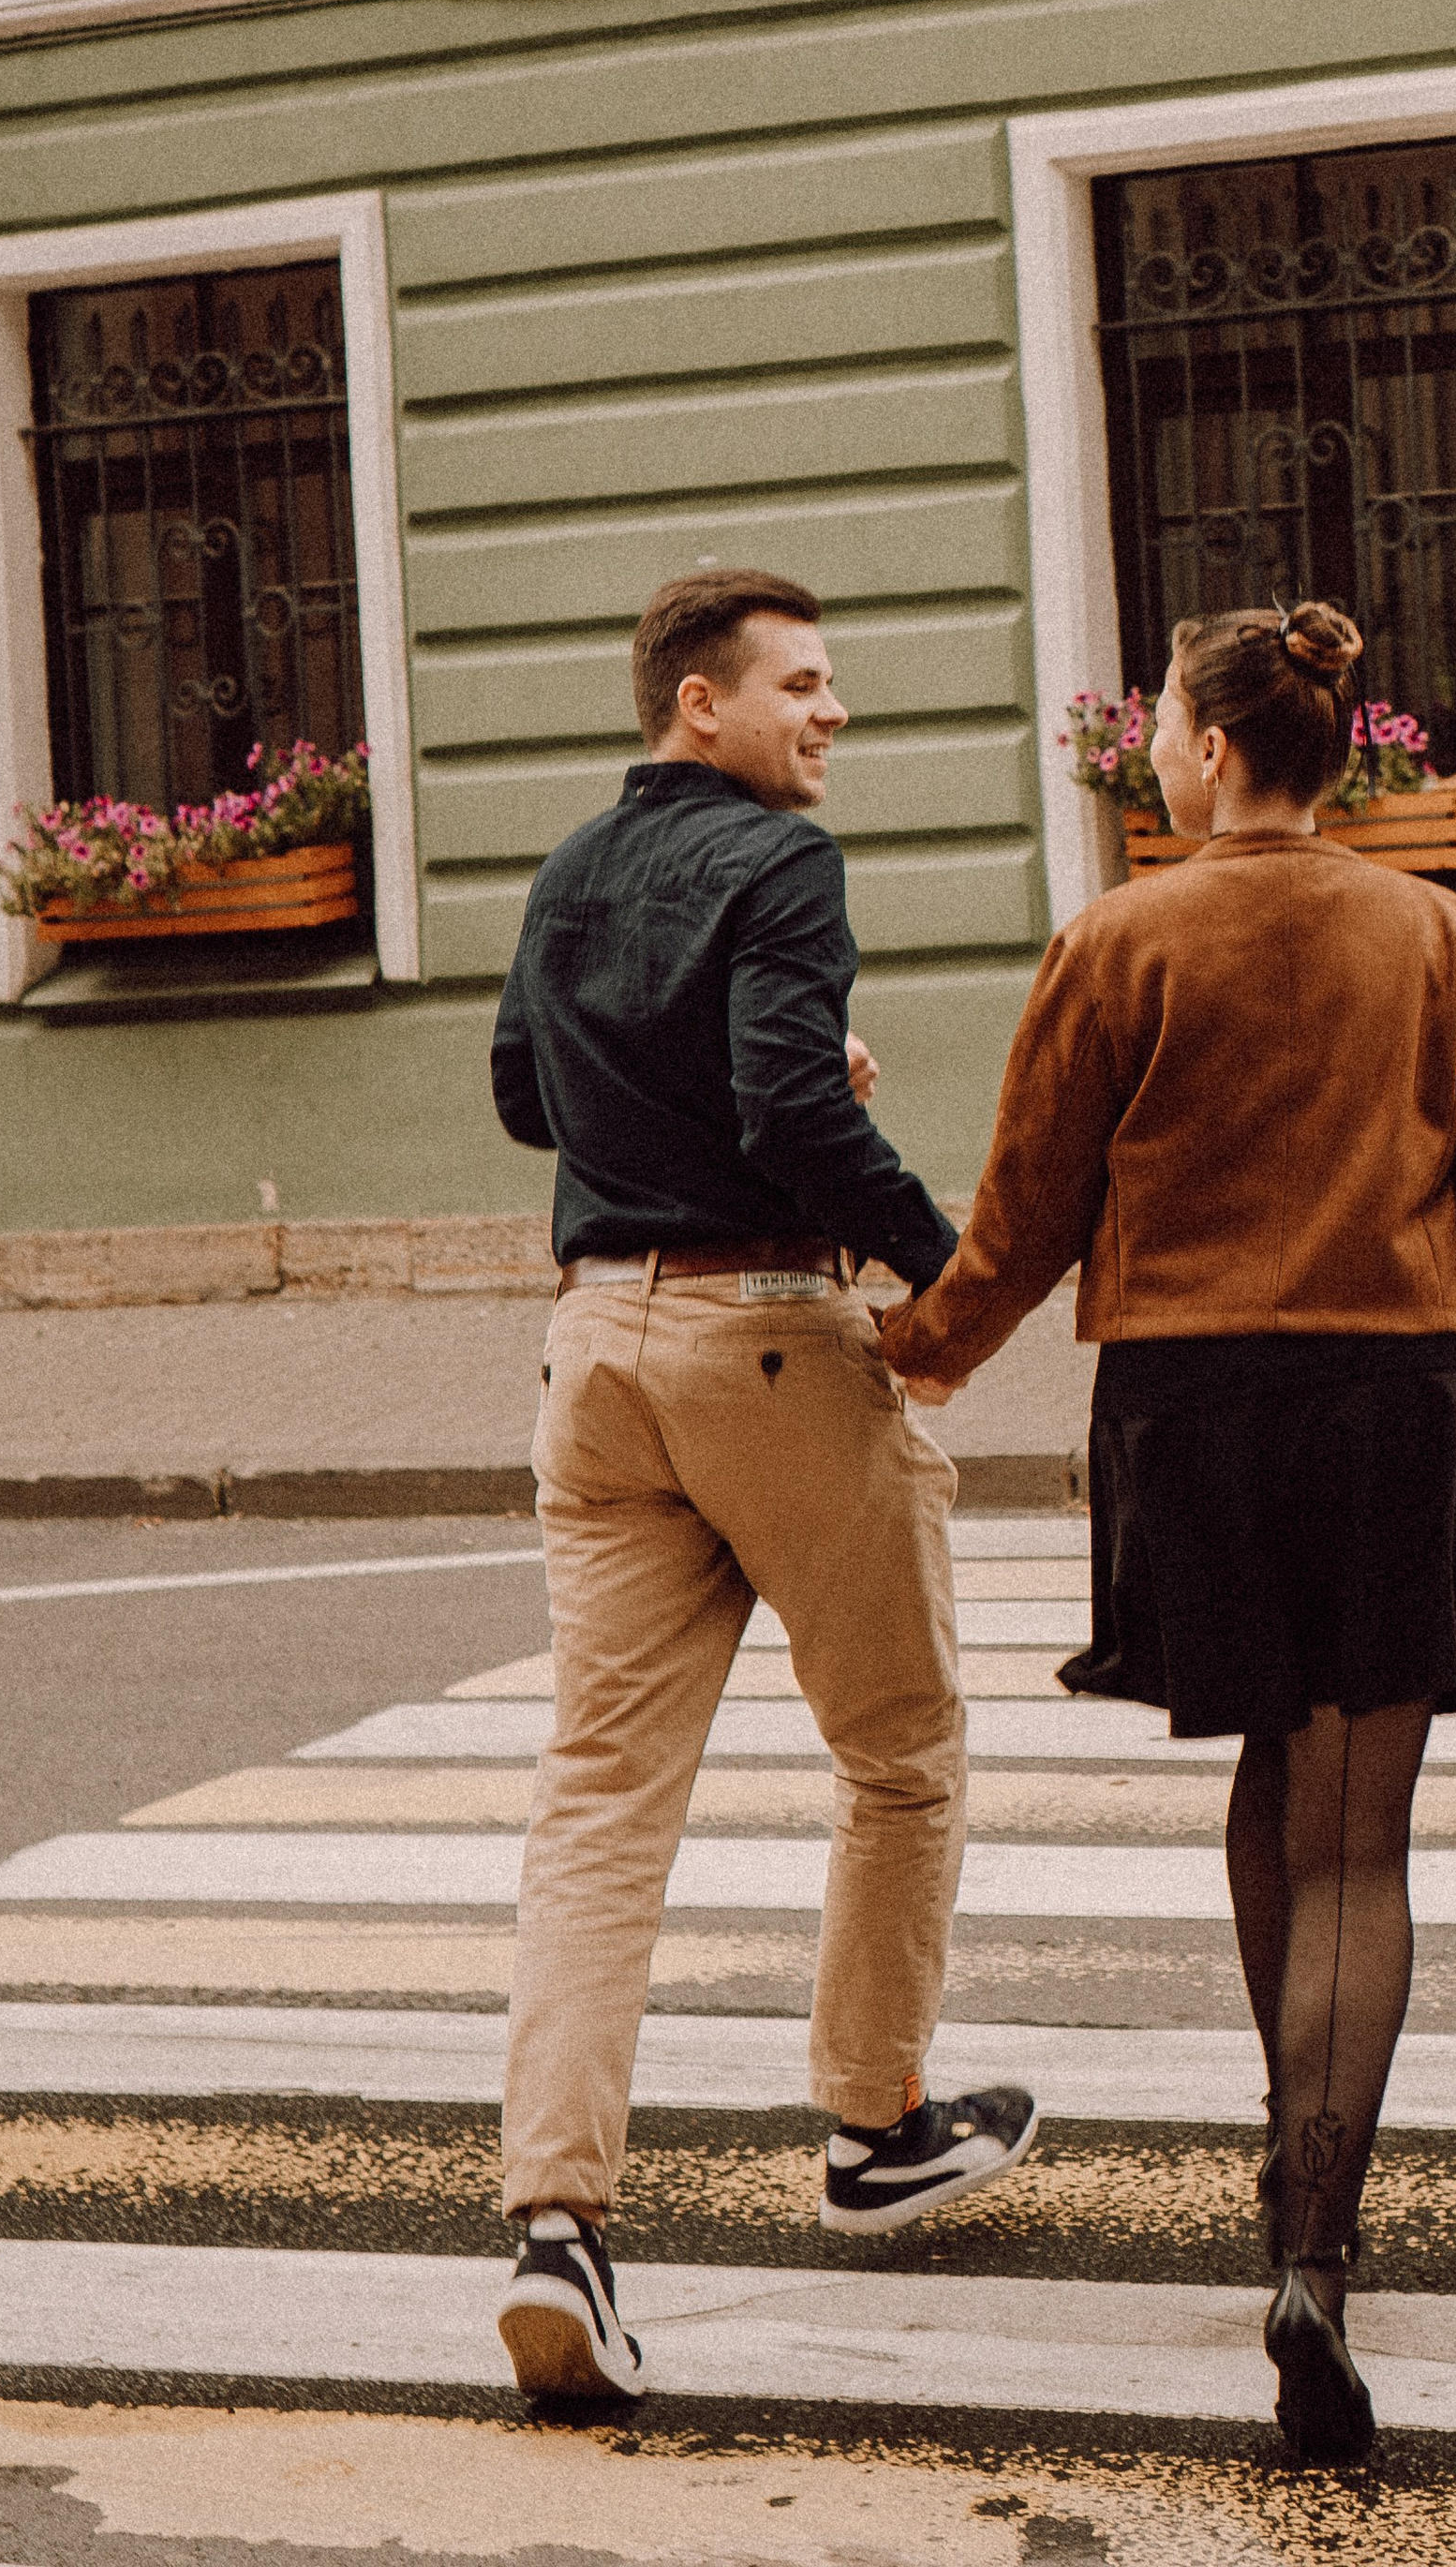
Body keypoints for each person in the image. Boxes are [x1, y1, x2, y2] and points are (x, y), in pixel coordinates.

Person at [882, 600, 1456, 2465]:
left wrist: (917, 1352)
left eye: (1158, 716)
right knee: (1356, 1830)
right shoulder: (1436, 931)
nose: (1149, 741)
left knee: (1267, 1776)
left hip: (1195, 1405)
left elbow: (1026, 1205)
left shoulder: (1116, 940)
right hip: (1397, 1396)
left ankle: (1279, 2152)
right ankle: (1315, 2237)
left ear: (1213, 749)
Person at [486, 566, 1035, 2403]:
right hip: (769, 1343)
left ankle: (557, 2229)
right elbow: (798, 1113)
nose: (834, 713)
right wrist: (953, 1284)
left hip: (594, 1358)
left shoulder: (566, 870)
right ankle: (876, 2125)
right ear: (696, 706)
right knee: (899, 1750)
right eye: (800, 684)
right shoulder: (780, 868)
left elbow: (520, 1093)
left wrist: (699, 1082)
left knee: (598, 1803)